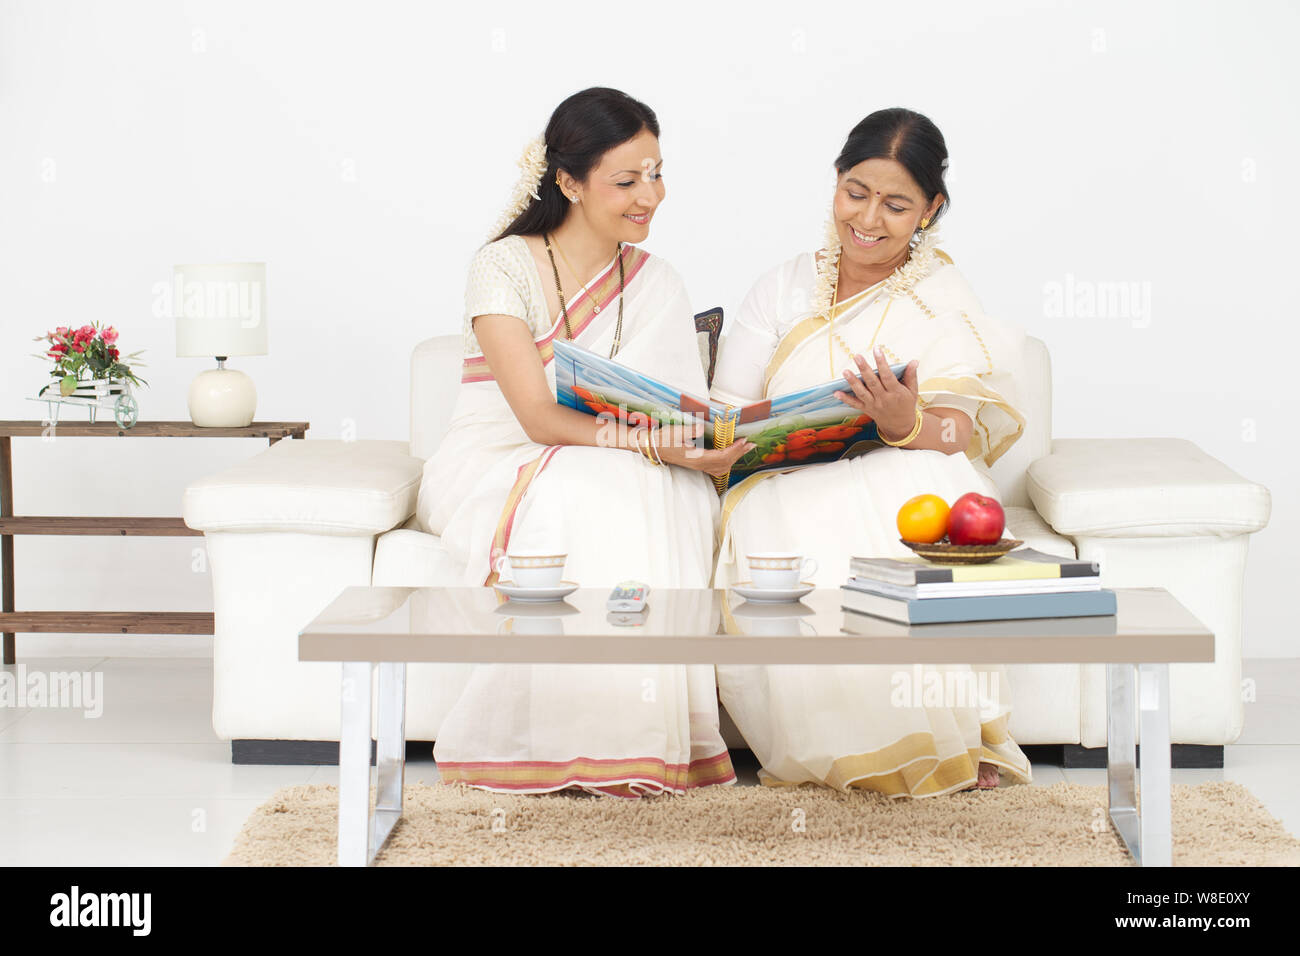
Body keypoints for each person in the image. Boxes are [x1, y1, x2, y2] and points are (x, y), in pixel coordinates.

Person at [413, 87, 751, 797]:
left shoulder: (658, 281)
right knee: (589, 482)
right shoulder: (502, 266)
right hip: (504, 456)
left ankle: (635, 747)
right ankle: (564, 747)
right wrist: (656, 447)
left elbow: (680, 414)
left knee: (642, 485)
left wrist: (700, 445)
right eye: (626, 181)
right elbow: (536, 419)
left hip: (631, 457)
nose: (649, 196)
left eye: (655, 173)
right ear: (567, 181)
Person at [709, 108, 1032, 797]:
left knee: (914, 490)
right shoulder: (783, 285)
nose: (869, 219)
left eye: (896, 204)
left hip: (902, 460)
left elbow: (957, 434)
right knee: (800, 522)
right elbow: (726, 404)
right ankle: (849, 751)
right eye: (856, 193)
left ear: (931, 209)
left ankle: (950, 741)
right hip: (784, 473)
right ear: (835, 183)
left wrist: (903, 420)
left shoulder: (943, 295)